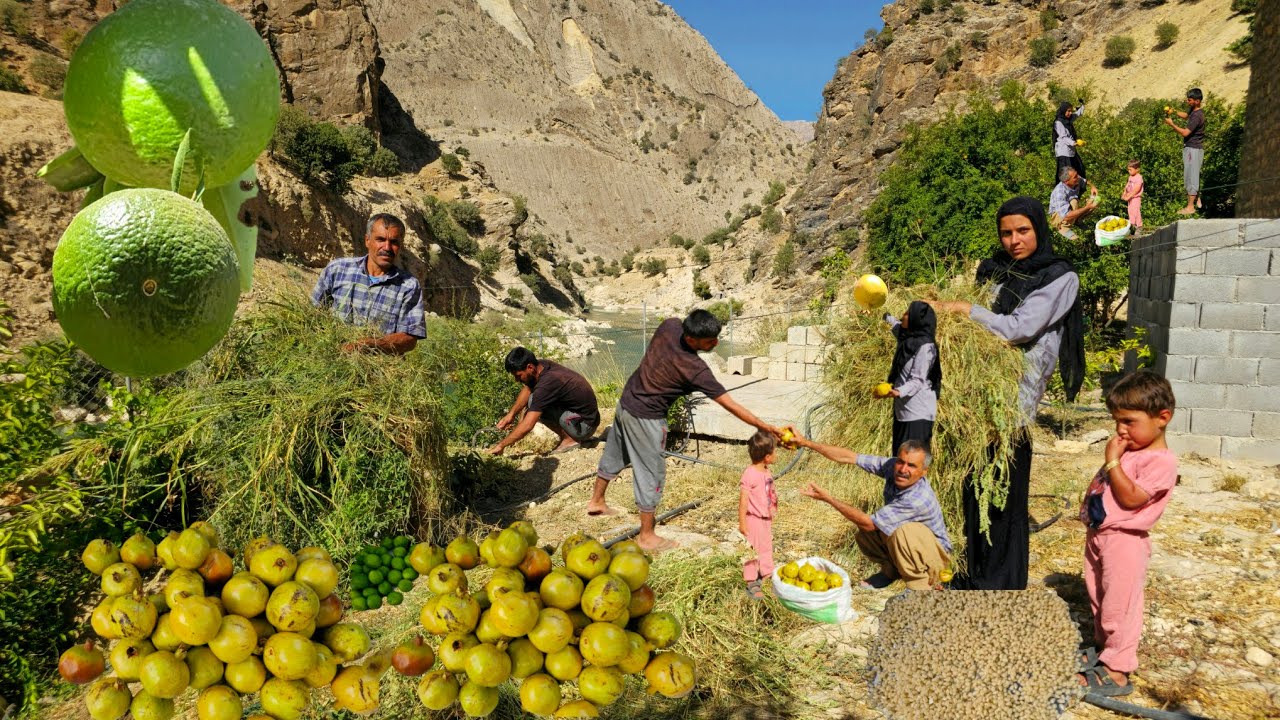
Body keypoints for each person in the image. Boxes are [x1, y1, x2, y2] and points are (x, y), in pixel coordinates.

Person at [931, 196, 1085, 590]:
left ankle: (1000, 584)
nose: (1014, 240)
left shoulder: (1059, 277)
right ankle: (976, 574)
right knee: (975, 495)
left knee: (1003, 500)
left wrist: (967, 310)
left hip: (1012, 405)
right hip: (979, 402)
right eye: (1006, 233)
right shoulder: (998, 271)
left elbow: (1018, 328)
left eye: (1023, 231)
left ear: (1038, 229)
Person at [589, 309, 780, 551]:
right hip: (647, 417)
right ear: (692, 340)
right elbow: (730, 405)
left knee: (615, 454)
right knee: (651, 474)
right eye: (710, 341)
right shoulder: (694, 368)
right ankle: (647, 535)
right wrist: (765, 426)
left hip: (626, 403)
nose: (716, 344)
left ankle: (596, 501)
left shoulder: (669, 326)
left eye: (716, 338)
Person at [1077, 371, 1178, 697]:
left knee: (1121, 606)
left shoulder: (1160, 461)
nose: (1120, 429)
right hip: (1101, 537)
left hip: (1125, 542)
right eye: (1116, 420)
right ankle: (1105, 652)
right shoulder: (1131, 451)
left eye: (1129, 421)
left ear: (1162, 418)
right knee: (1101, 598)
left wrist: (1112, 463)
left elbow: (1132, 498)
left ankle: (1118, 671)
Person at [788, 434, 952, 592]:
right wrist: (806, 443)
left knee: (900, 531)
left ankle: (922, 586)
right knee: (867, 533)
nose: (903, 469)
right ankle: (890, 571)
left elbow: (869, 522)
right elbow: (851, 457)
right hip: (912, 547)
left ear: (924, 471)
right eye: (900, 462)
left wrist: (829, 499)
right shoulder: (892, 466)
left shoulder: (917, 499)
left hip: (935, 559)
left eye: (911, 465)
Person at [311, 213, 426, 354]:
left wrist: (371, 345)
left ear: (400, 246)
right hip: (331, 362)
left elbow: (409, 338)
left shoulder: (408, 286)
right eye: (380, 239)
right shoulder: (337, 269)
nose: (387, 247)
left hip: (381, 369)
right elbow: (313, 313)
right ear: (367, 240)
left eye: (394, 242)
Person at [488, 347, 600, 456]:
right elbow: (528, 388)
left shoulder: (547, 383)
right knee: (534, 399)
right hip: (587, 418)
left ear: (530, 367)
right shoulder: (541, 365)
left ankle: (570, 440)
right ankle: (571, 436)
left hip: (584, 426)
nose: (516, 380)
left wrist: (501, 445)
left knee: (537, 404)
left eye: (518, 375)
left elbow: (528, 424)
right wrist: (511, 415)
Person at [882, 301, 941, 451]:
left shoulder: (926, 346)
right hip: (902, 411)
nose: (903, 316)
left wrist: (898, 391)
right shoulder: (906, 337)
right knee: (898, 458)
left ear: (917, 319)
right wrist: (883, 315)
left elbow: (918, 379)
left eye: (908, 313)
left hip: (918, 413)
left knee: (910, 461)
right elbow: (895, 324)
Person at [739, 431, 778, 601]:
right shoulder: (750, 474)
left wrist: (773, 508)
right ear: (767, 457)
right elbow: (743, 501)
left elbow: (770, 493)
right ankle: (751, 580)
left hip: (765, 519)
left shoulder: (767, 472)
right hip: (753, 519)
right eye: (775, 452)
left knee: (766, 546)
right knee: (752, 550)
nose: (776, 455)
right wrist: (742, 523)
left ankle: (768, 573)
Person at [1163, 88, 1206, 215]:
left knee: (1191, 177)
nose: (1187, 102)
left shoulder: (1197, 116)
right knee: (1191, 175)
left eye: (1190, 100)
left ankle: (1190, 207)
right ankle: (1196, 198)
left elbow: (1185, 132)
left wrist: (1171, 124)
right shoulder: (1194, 111)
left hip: (1193, 149)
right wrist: (1174, 112)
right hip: (1192, 148)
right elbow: (1186, 116)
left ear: (1197, 101)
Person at [1048, 166, 1098, 239]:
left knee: (1094, 200)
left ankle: (1077, 220)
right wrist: (1087, 207)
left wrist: (1092, 186)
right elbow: (1066, 215)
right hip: (1059, 215)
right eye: (1075, 177)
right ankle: (1062, 227)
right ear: (1066, 181)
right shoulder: (1060, 192)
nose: (1078, 177)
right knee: (1074, 202)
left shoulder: (1076, 179)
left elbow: (1084, 180)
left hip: (1070, 208)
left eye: (1077, 174)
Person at [1053, 100, 1087, 180]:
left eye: (1071, 111)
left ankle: (1077, 190)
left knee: (1080, 170)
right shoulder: (1058, 122)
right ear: (1063, 110)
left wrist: (1082, 105)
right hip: (1063, 152)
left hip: (1071, 151)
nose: (1070, 113)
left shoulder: (1068, 119)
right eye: (1068, 111)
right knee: (1066, 175)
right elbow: (1063, 137)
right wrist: (1074, 143)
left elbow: (1078, 114)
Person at [1120, 159, 1144, 236]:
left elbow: (1136, 189)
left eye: (1130, 169)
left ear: (1137, 169)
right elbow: (1127, 186)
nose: (1129, 171)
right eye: (1128, 169)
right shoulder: (1130, 177)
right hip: (1130, 198)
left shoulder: (1139, 177)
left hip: (1136, 198)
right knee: (1130, 211)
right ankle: (1133, 225)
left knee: (1136, 211)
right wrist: (1124, 193)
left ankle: (1139, 226)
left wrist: (1129, 196)